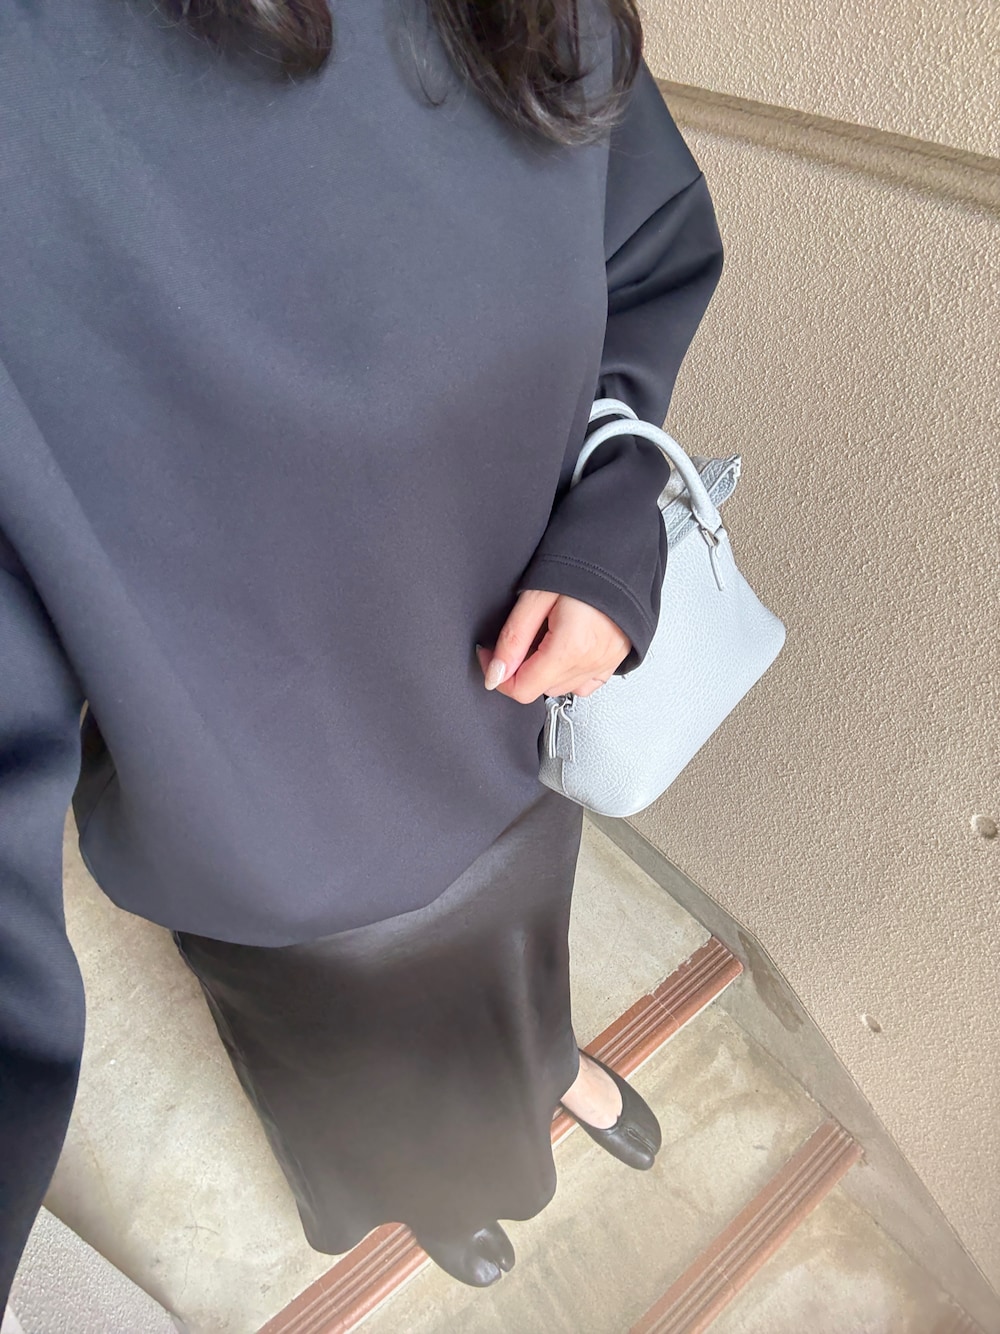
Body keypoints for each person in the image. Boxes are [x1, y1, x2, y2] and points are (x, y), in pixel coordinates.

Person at [0, 0, 723, 1302]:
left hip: (509, 720)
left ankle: (543, 1070)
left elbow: (643, 239)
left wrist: (615, 527)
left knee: (518, 966)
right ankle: (420, 1189)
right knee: (346, 1067)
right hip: (267, 827)